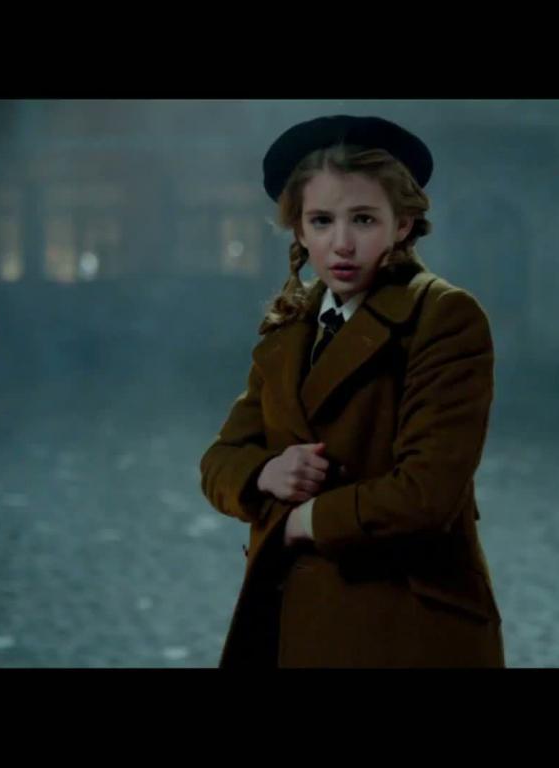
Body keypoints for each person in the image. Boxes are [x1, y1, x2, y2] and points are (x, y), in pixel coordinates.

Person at [199, 114, 503, 667]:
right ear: (299, 230)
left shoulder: (442, 316)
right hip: (290, 625)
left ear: (402, 223)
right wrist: (265, 473)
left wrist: (298, 522)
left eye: (363, 219)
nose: (341, 244)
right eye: (321, 221)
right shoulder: (290, 326)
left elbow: (426, 494)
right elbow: (219, 461)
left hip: (406, 628)